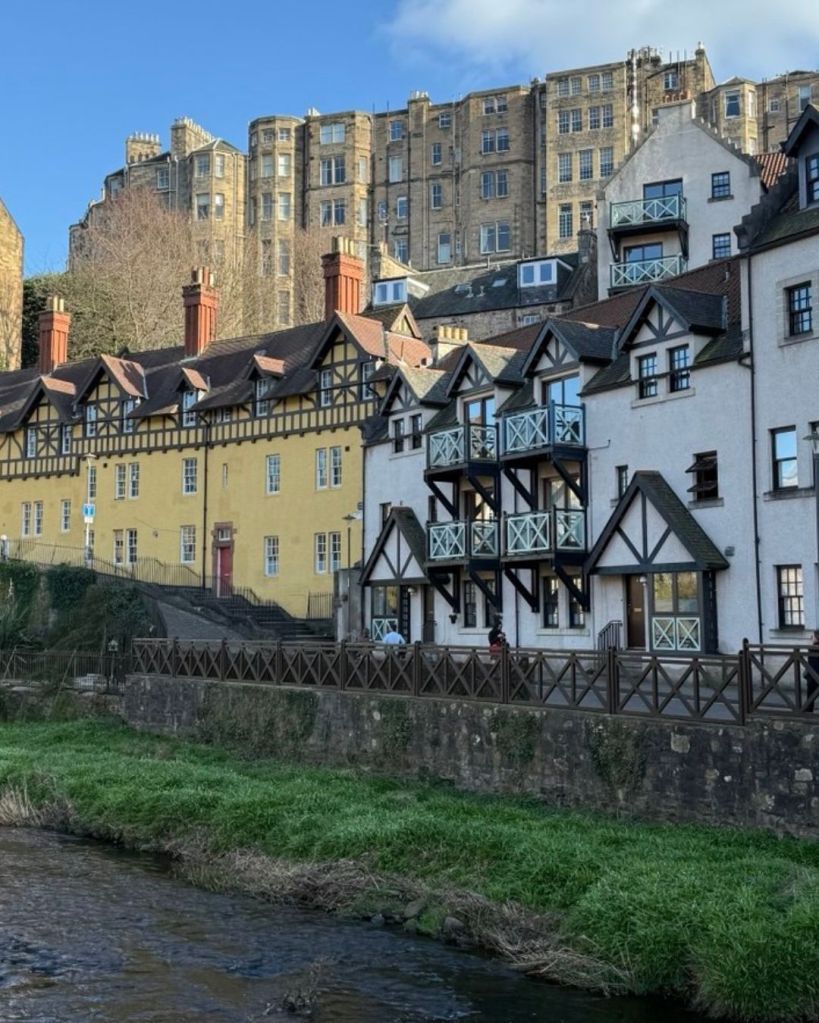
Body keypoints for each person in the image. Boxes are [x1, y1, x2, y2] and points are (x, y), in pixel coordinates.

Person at [805, 630, 819, 712]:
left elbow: (812, 664)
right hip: (814, 676)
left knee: (810, 694)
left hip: (814, 677)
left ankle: (808, 710)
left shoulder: (813, 648)